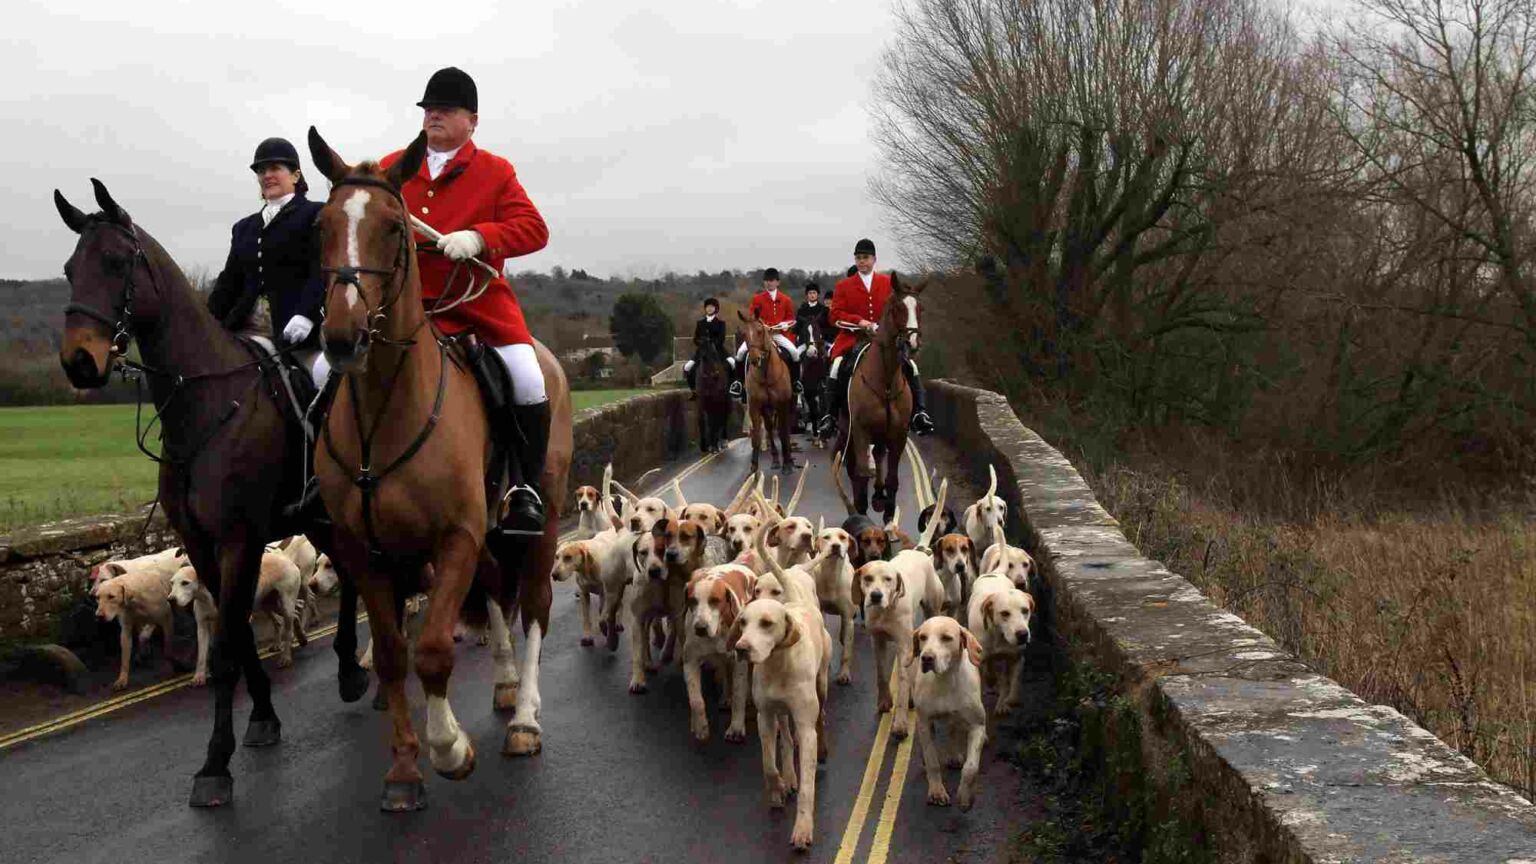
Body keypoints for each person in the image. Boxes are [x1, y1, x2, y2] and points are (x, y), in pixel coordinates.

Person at [381, 66, 552, 533]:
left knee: (529, 378)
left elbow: (536, 230)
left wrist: (480, 237)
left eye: (446, 109)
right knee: (328, 371)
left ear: (472, 120)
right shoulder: (391, 167)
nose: (433, 115)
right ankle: (324, 481)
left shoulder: (496, 172)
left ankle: (524, 489)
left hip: (478, 308)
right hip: (405, 309)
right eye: (429, 109)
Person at [207, 137, 327, 389]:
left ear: (295, 176)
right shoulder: (244, 228)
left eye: (275, 169)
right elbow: (229, 285)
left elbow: (321, 271)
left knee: (324, 375)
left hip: (296, 334)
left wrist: (306, 315)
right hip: (244, 333)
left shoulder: (316, 214)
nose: (266, 175)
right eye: (261, 171)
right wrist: (204, 323)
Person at [816, 238, 935, 438]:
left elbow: (901, 307)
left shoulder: (888, 283)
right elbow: (834, 316)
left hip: (884, 340)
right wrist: (860, 322)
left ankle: (919, 414)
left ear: (874, 259)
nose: (862, 261)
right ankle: (830, 416)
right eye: (859, 258)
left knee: (911, 366)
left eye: (866, 258)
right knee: (837, 365)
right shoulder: (844, 285)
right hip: (853, 338)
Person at [729, 267, 802, 401]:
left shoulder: (786, 300)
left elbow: (791, 319)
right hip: (759, 335)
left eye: (772, 281)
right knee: (740, 353)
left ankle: (795, 382)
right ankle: (739, 383)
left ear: (777, 282)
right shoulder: (757, 299)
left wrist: (786, 324)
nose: (769, 283)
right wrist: (762, 325)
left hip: (777, 334)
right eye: (767, 281)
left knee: (794, 352)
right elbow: (752, 317)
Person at [684, 297, 732, 398]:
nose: (709, 309)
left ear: (716, 308)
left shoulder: (721, 323)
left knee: (733, 363)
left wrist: (713, 344)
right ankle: (694, 391)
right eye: (708, 307)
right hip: (702, 351)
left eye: (712, 307)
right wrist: (701, 343)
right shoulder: (700, 323)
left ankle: (733, 388)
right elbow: (695, 339)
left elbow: (721, 338)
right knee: (687, 367)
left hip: (718, 350)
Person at [795, 282, 831, 349]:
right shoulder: (801, 310)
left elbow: (828, 327)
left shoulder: (824, 310)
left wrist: (821, 336)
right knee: (796, 355)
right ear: (807, 295)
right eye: (810, 293)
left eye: (814, 293)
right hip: (805, 342)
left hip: (821, 342)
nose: (812, 295)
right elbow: (797, 328)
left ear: (818, 294)